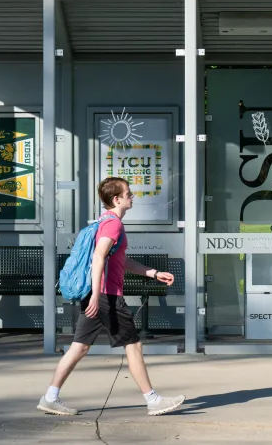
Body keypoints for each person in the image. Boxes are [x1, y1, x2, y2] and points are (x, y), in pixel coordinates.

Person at [37, 177, 186, 416]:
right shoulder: (113, 224)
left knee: (79, 347)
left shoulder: (105, 221)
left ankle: (50, 397)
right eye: (128, 193)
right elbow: (98, 257)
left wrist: (153, 273)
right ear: (116, 199)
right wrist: (96, 295)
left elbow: (121, 260)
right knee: (133, 345)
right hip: (107, 296)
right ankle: (153, 399)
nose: (132, 196)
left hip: (100, 296)